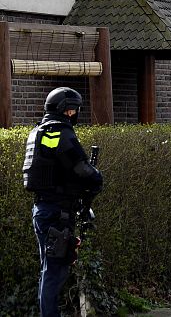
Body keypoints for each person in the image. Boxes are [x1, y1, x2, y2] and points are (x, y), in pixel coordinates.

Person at [23, 87, 103, 317]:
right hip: (56, 212)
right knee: (54, 271)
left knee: (50, 268)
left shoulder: (38, 131)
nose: (75, 114)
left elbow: (56, 167)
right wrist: (96, 178)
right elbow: (80, 168)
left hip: (44, 209)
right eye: (75, 109)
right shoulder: (58, 132)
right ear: (67, 110)